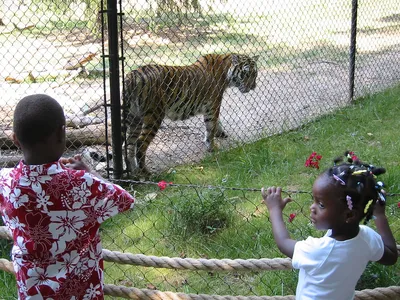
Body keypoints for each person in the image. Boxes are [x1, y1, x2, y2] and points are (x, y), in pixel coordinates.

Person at [0, 94, 135, 299]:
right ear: (62, 134)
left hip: (32, 291)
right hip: (80, 292)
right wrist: (90, 173)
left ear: (15, 139)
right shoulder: (82, 184)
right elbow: (125, 199)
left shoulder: (5, 181)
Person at [262, 153, 398, 300]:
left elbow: (283, 243)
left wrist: (274, 209)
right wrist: (380, 215)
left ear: (349, 215)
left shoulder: (319, 251)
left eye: (321, 204)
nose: (311, 207)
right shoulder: (367, 238)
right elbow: (390, 256)